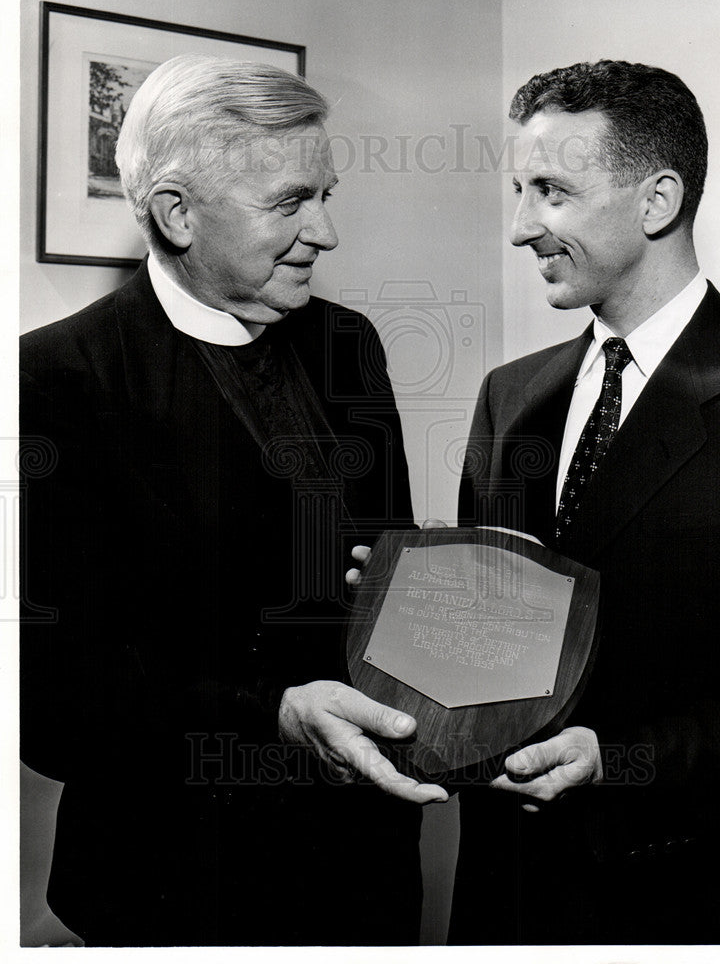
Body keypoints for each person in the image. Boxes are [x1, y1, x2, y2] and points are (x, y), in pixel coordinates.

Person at [20, 54, 446, 948]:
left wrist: (416, 590)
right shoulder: (54, 378)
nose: (325, 233)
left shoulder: (349, 344)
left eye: (326, 196)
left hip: (360, 871)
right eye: (290, 202)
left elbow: (388, 569)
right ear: (177, 214)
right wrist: (273, 712)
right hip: (170, 883)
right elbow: (52, 705)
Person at [449, 60, 720, 944]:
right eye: (519, 190)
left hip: (680, 897)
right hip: (505, 892)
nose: (521, 227)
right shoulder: (508, 395)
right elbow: (484, 641)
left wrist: (618, 760)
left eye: (551, 192)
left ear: (656, 201)